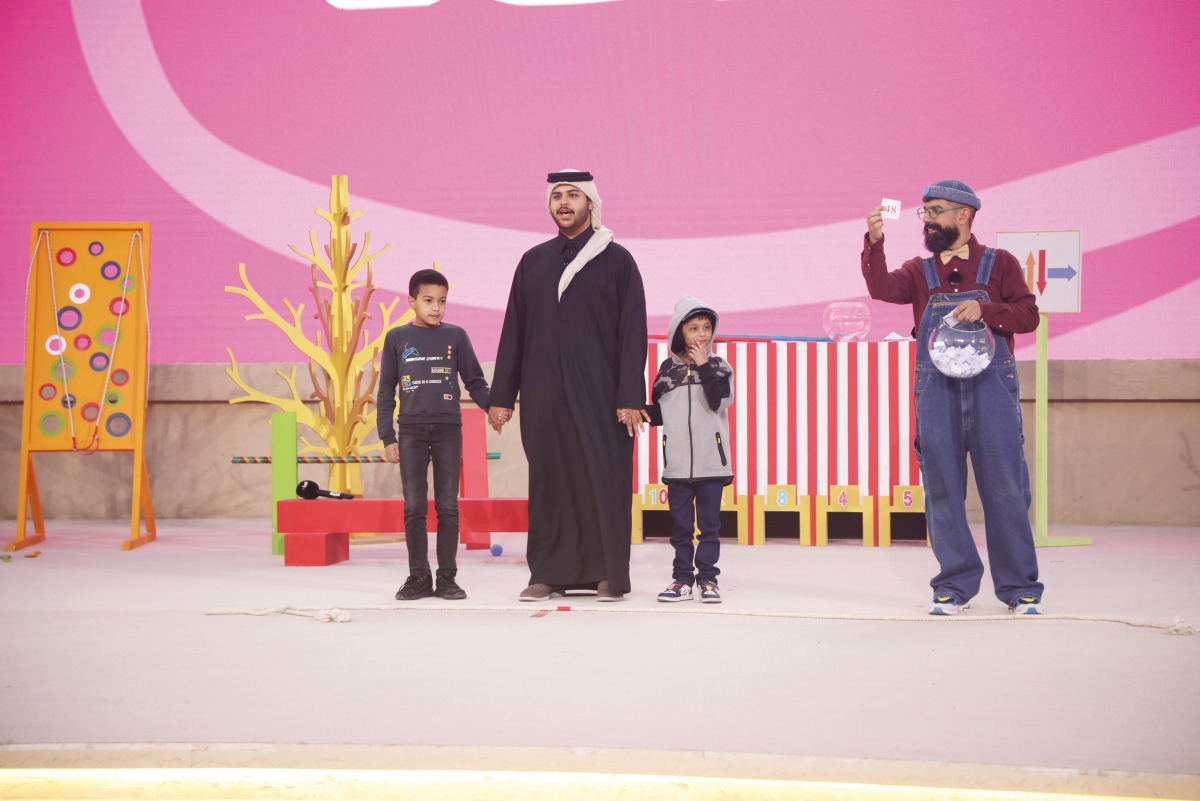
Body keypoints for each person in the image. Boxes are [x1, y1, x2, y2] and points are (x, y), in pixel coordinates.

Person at [863, 179, 1045, 616]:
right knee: (942, 487)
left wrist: (987, 309)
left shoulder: (999, 264)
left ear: (964, 215)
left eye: (935, 210)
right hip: (937, 390)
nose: (926, 219)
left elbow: (1029, 316)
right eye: (924, 211)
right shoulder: (918, 271)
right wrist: (874, 244)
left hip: (991, 389)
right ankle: (954, 585)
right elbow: (881, 288)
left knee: (1005, 486)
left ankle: (1020, 589)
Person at [489, 170, 648, 602]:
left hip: (601, 395)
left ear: (590, 203)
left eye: (572, 195)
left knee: (602, 478)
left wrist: (630, 397)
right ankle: (548, 572)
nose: (563, 202)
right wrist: (501, 396)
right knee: (550, 481)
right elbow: (514, 332)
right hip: (544, 394)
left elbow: (632, 331)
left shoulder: (617, 261)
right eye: (557, 196)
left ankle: (607, 574)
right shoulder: (533, 261)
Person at [377, 268, 490, 601]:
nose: (436, 308)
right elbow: (386, 390)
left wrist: (496, 407)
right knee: (414, 506)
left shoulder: (456, 335)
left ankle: (447, 577)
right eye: (428, 301)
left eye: (442, 301)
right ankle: (418, 577)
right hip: (409, 431)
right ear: (411, 301)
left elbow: (475, 381)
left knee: (447, 506)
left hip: (447, 430)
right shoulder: (397, 338)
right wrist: (388, 436)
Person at [645, 296, 734, 604]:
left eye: (707, 327)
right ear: (678, 331)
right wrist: (632, 410)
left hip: (712, 464)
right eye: (693, 327)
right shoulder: (666, 370)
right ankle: (682, 580)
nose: (701, 334)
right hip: (678, 466)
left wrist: (702, 365)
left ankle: (708, 579)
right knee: (681, 527)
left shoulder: (720, 367)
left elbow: (718, 402)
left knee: (709, 526)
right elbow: (658, 414)